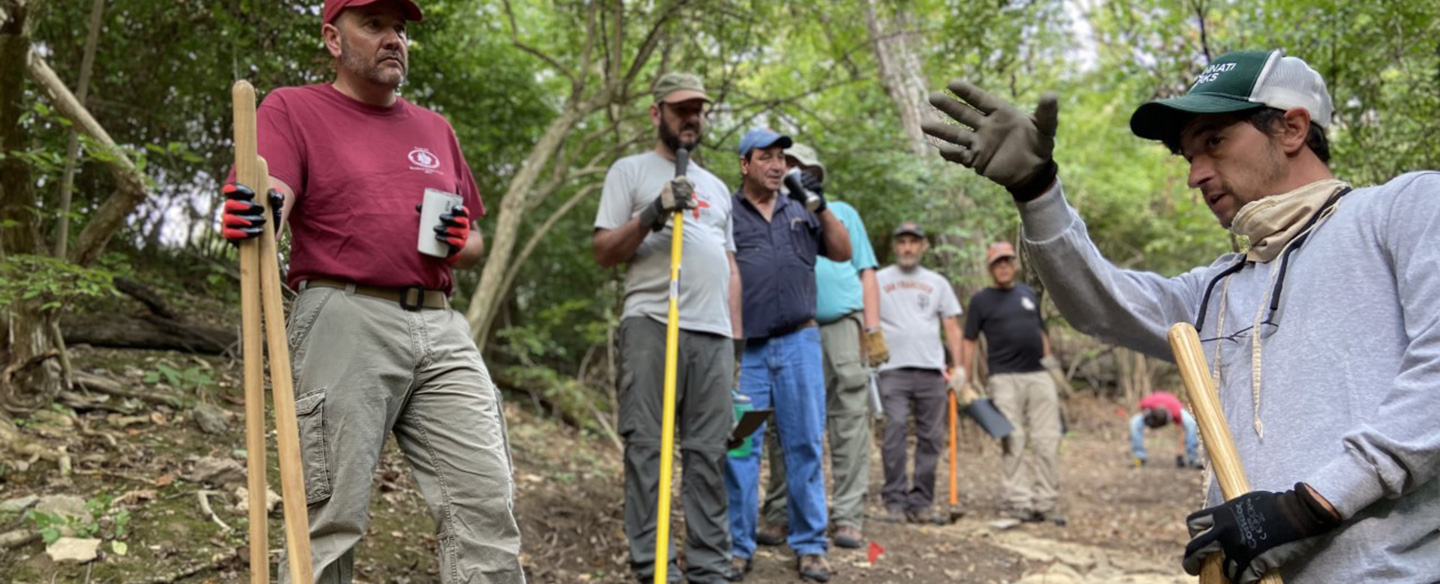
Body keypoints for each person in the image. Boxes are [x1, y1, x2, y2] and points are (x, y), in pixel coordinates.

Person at [924, 48, 1440, 583]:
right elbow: (1101, 304)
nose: (1195, 175)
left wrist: (1310, 504)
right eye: (1187, 155)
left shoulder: (1404, 211)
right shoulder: (1218, 285)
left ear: (1291, 128)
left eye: (1214, 142)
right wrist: (1036, 190)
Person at [218, 0, 524, 581]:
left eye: (400, 29)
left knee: (486, 504)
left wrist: (461, 238)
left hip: (441, 323)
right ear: (334, 39)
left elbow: (474, 240)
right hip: (344, 314)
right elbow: (268, 195)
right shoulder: (294, 107)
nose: (394, 39)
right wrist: (253, 211)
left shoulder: (436, 129)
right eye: (375, 25)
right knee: (328, 517)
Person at [591, 72, 742, 584]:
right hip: (653, 323)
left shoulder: (718, 187)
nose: (691, 117)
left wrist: (735, 341)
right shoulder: (629, 171)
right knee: (648, 449)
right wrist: (654, 212)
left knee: (709, 451)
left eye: (697, 109)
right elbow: (604, 252)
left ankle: (709, 566)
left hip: (714, 335)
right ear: (656, 113)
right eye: (680, 109)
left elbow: (729, 267)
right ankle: (653, 565)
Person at [725, 128, 851, 582]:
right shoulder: (728, 211)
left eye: (782, 157)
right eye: (766, 157)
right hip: (749, 354)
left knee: (803, 445)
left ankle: (811, 545)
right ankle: (737, 546)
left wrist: (819, 205)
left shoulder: (801, 207)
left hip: (800, 344)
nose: (777, 165)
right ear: (745, 164)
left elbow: (842, 251)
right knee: (741, 448)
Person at [755, 143, 884, 551]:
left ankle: (847, 516)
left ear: (814, 174)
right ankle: (779, 512)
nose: (792, 172)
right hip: (787, 329)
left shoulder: (840, 212)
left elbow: (866, 271)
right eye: (786, 165)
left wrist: (872, 328)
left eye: (801, 167)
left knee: (848, 418)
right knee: (782, 423)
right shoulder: (765, 214)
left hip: (841, 326)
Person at [960, 241, 1065, 526]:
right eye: (997, 262)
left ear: (1015, 264)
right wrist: (964, 379)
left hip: (1038, 376)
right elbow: (969, 340)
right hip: (1003, 379)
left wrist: (1051, 363)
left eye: (1007, 261)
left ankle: (1045, 502)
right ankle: (1018, 501)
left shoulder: (1028, 293)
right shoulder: (981, 300)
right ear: (990, 268)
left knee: (1047, 439)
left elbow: (1041, 331)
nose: (1003, 266)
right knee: (1013, 439)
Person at [873, 222, 964, 525]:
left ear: (923, 246)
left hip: (930, 370)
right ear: (896, 246)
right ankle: (895, 500)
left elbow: (951, 325)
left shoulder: (937, 282)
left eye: (914, 242)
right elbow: (867, 319)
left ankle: (921, 501)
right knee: (895, 428)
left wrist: (960, 366)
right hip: (892, 369)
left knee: (931, 437)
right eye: (902, 242)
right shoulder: (878, 279)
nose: (908, 248)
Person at [1129, 391, 1200, 469]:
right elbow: (1140, 411)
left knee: (1191, 423)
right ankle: (1139, 457)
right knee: (1134, 422)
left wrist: (1179, 455)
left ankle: (1193, 458)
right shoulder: (1146, 403)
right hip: (1153, 410)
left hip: (1173, 406)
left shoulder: (1176, 412)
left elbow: (1180, 431)